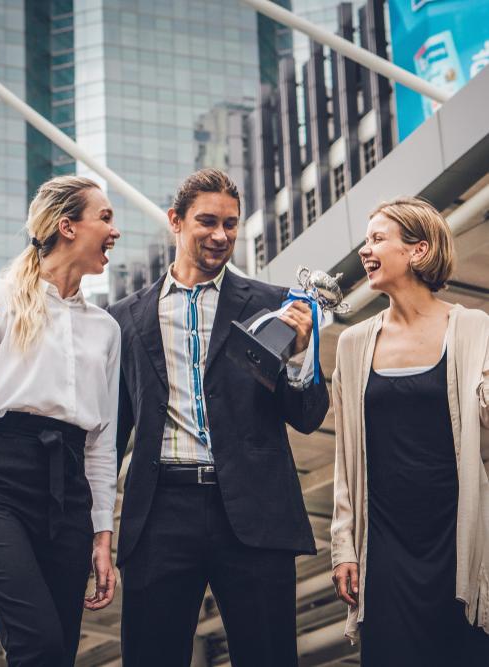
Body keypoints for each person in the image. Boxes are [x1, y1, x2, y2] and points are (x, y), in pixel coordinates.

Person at [109, 168, 329, 667]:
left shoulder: (274, 305)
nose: (220, 235)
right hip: (159, 512)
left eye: (230, 224)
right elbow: (113, 431)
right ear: (175, 221)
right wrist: (98, 527)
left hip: (254, 512)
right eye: (207, 221)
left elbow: (309, 416)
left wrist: (297, 357)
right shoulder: (122, 319)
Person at [331, 196, 489, 666]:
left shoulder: (472, 328)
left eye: (378, 238)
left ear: (418, 252)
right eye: (366, 239)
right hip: (383, 545)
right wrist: (344, 544)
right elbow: (345, 456)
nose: (365, 249)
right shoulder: (353, 344)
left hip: (456, 533)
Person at [0, 176, 121, 666]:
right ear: (67, 226)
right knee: (37, 645)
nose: (115, 231)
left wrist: (102, 537)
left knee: (60, 652)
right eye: (104, 217)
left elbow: (101, 444)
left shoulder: (105, 330)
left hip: (69, 492)